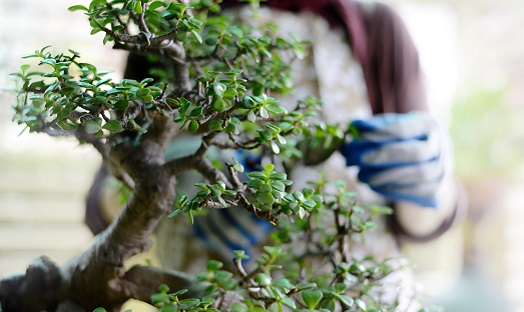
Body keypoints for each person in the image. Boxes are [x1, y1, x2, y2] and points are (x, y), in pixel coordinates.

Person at [86, 0, 463, 308]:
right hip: (215, 298)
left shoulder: (375, 26)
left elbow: (422, 224)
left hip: (363, 296)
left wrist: (431, 183)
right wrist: (170, 177)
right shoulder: (164, 26)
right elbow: (103, 205)